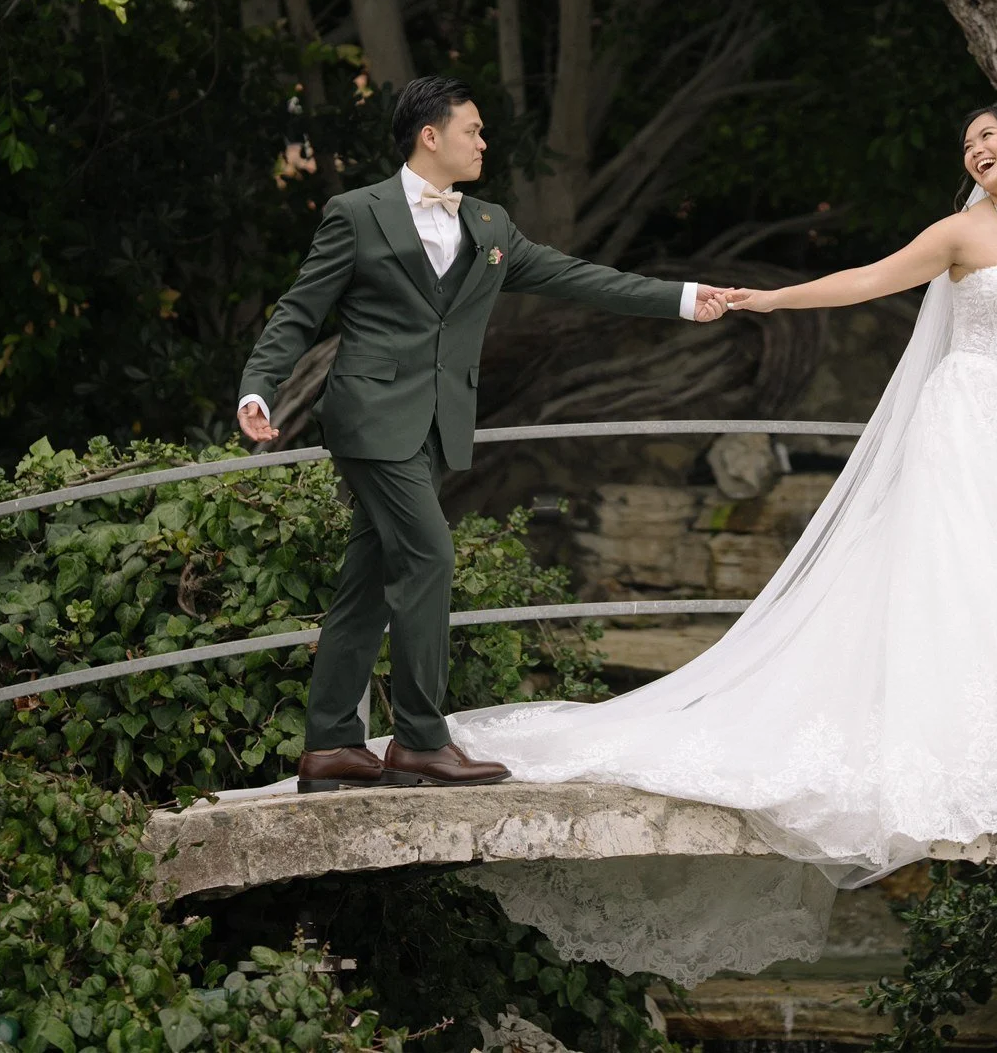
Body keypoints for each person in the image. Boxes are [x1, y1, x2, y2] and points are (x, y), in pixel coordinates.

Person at [438, 100, 997, 982]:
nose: (973, 149)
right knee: (964, 577)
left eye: (987, 136)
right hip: (967, 422)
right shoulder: (957, 235)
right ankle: (966, 743)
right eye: (964, 140)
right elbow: (867, 279)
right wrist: (770, 299)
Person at [234, 76, 730, 793]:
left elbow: (577, 277)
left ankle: (332, 745)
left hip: (438, 423)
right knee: (430, 553)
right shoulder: (356, 213)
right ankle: (420, 741)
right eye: (473, 129)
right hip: (371, 416)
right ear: (429, 136)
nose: (483, 141)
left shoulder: (491, 227)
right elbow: (299, 310)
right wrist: (260, 385)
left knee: (368, 583)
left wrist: (684, 298)